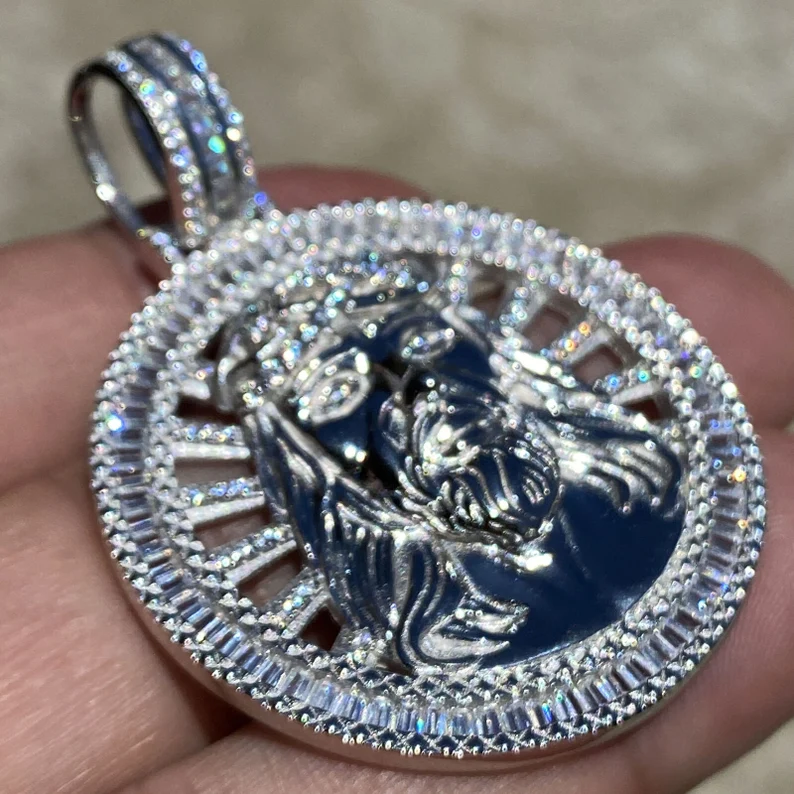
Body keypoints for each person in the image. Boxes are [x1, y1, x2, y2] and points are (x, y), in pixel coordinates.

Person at [0, 166, 792, 793]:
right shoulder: (444, 650)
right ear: (304, 462)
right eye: (336, 390)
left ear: (484, 341)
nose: (417, 390)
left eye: (417, 339)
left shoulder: (669, 506)